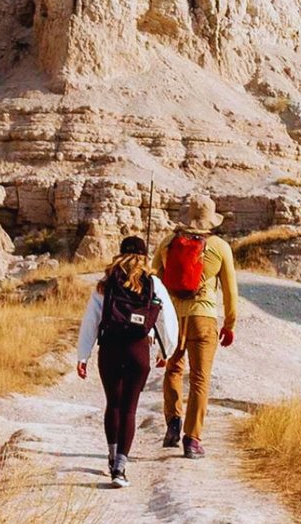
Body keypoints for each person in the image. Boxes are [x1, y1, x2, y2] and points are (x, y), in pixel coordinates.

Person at [76, 235, 179, 488]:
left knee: (113, 405)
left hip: (110, 349)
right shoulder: (153, 283)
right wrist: (166, 351)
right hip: (138, 350)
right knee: (130, 408)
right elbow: (168, 319)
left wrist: (83, 355)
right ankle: (120, 468)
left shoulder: (105, 284)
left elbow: (91, 321)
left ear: (120, 254)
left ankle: (111, 457)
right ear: (144, 256)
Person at [151, 194, 238, 460]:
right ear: (211, 219)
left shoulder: (168, 242)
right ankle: (192, 439)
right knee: (200, 378)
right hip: (204, 317)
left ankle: (173, 422)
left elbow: (153, 278)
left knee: (173, 369)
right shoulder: (220, 246)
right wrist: (230, 323)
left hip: (174, 318)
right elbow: (230, 291)